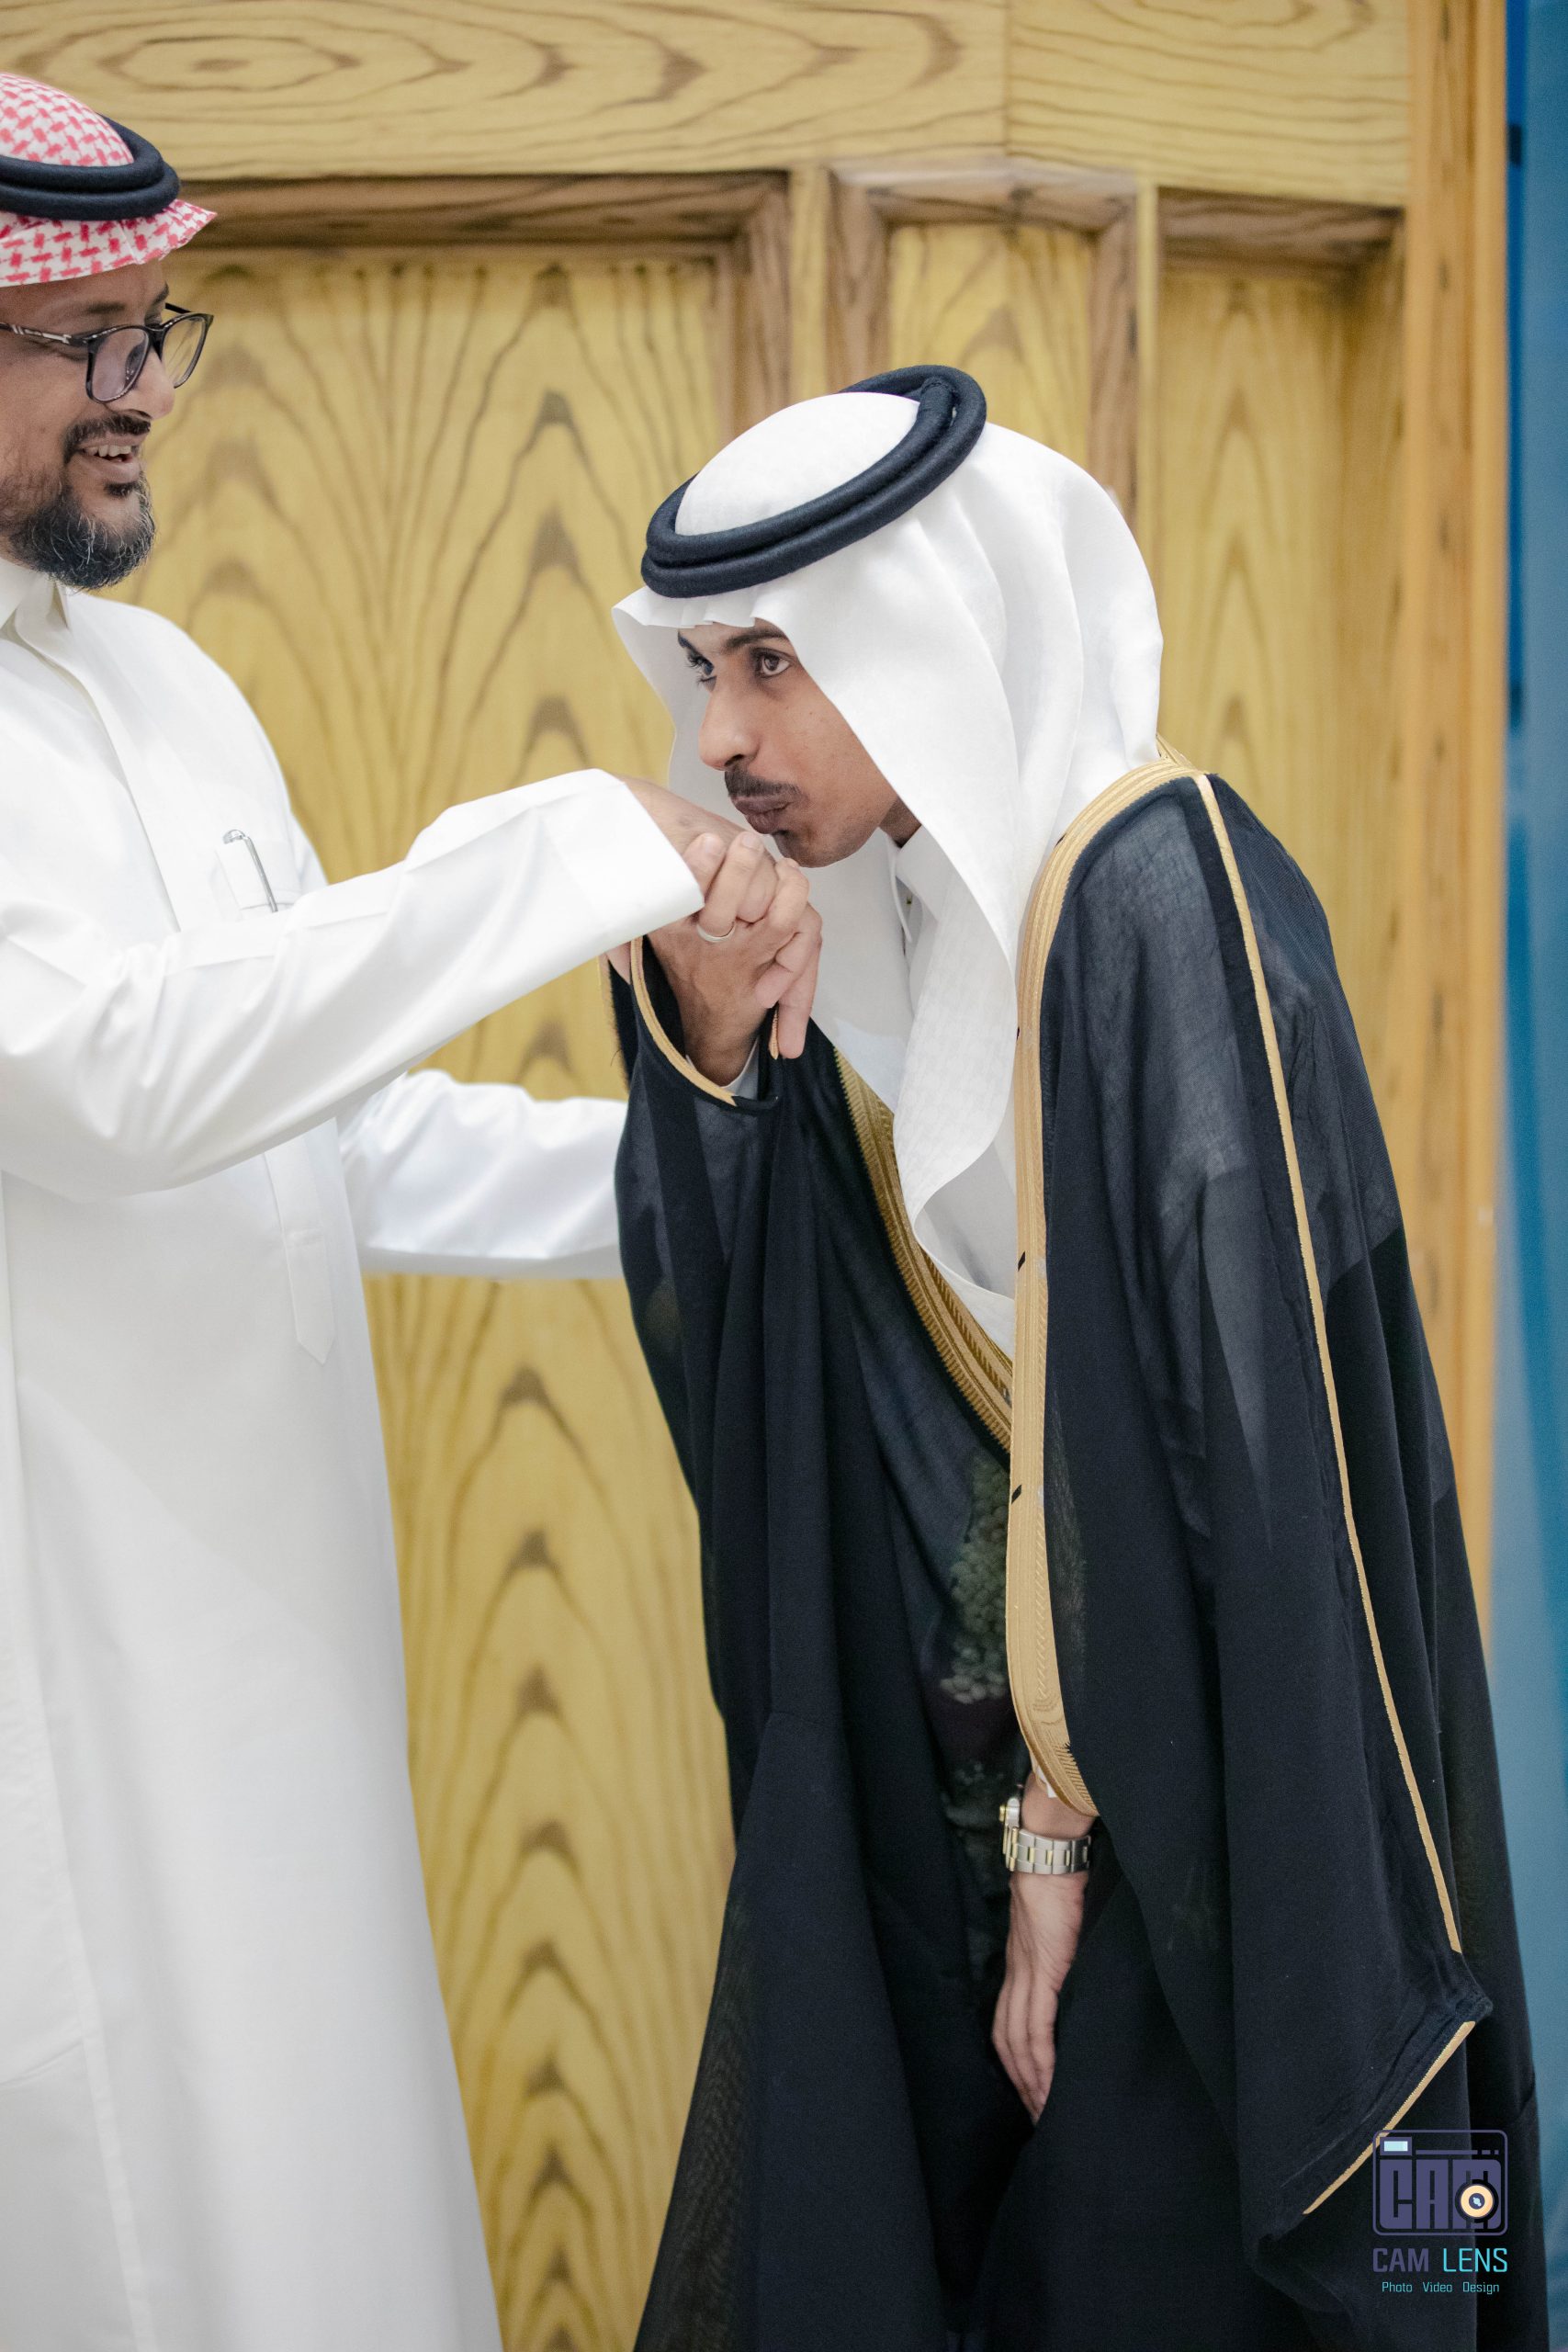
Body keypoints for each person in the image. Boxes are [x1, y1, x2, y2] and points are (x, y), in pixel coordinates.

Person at [604, 367, 1548, 2349]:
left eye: (771, 660)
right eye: (705, 670)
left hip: (1231, 1851)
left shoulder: (1151, 888)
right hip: (1071, 1829)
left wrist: (1058, 1825)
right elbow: (846, 1397)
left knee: (1314, 2257)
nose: (721, 736)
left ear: (931, 631)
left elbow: (1243, 1480)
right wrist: (722, 1054)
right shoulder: (944, 922)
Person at [0, 73, 819, 2352]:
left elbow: (318, 1138)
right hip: (67, 1699)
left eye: (158, 333)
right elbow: (112, 1078)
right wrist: (566, 845)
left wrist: (715, 1155)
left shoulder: (168, 688)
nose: (141, 391)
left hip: (277, 1661)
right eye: (82, 341)